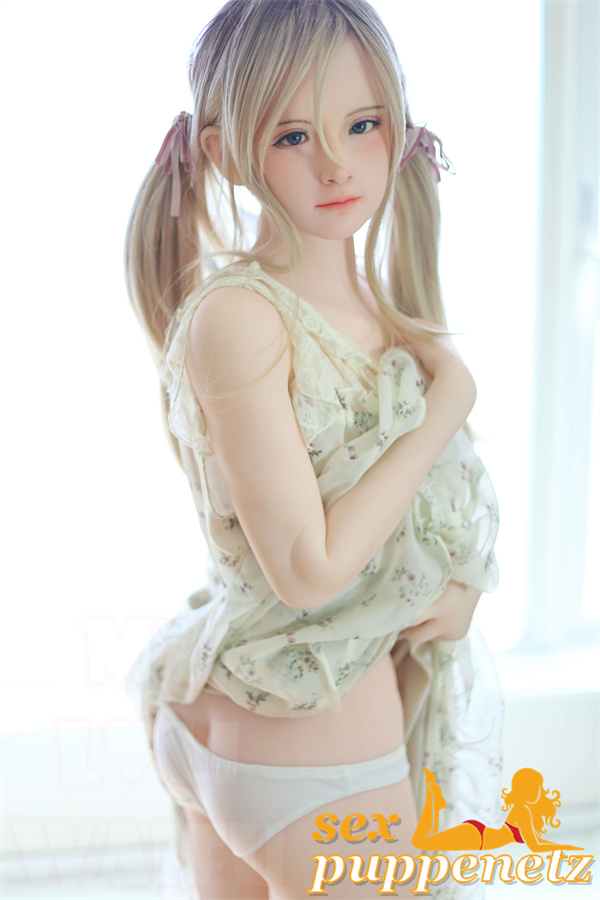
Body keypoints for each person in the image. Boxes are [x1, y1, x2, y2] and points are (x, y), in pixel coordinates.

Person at [124, 1, 502, 897]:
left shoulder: (378, 308)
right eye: (293, 136)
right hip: (308, 751)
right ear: (226, 154)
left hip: (278, 729)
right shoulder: (242, 316)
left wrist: (456, 596)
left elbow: (401, 524)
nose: (336, 163)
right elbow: (309, 568)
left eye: (362, 124)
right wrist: (447, 405)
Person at [413, 767, 583, 854]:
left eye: (538, 787)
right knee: (420, 843)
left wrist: (561, 846)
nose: (538, 791)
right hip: (477, 836)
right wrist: (564, 847)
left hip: (479, 836)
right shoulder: (522, 811)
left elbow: (536, 843)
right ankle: (434, 800)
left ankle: (435, 801)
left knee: (423, 843)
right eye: (535, 788)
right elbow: (535, 846)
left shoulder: (523, 809)